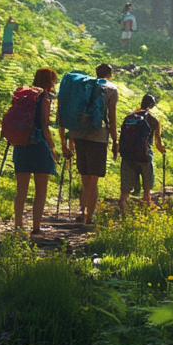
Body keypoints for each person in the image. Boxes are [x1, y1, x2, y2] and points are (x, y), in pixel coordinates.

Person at [59, 63, 118, 226]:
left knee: (85, 179)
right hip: (98, 137)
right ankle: (90, 218)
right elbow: (112, 118)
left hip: (79, 135)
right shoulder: (111, 89)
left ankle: (82, 211)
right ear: (109, 74)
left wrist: (68, 138)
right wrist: (115, 141)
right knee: (93, 181)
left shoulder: (83, 85)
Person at [13, 67, 60, 237]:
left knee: (21, 190)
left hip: (21, 145)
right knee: (41, 190)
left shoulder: (23, 96)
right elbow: (45, 126)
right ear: (50, 81)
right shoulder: (44, 99)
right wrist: (53, 147)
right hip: (39, 146)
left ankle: (18, 226)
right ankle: (36, 227)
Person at [117, 94, 167, 216]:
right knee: (147, 187)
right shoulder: (153, 120)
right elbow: (158, 144)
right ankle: (146, 211)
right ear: (152, 106)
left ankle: (123, 210)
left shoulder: (129, 117)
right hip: (144, 157)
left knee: (125, 188)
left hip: (128, 156)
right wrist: (163, 151)